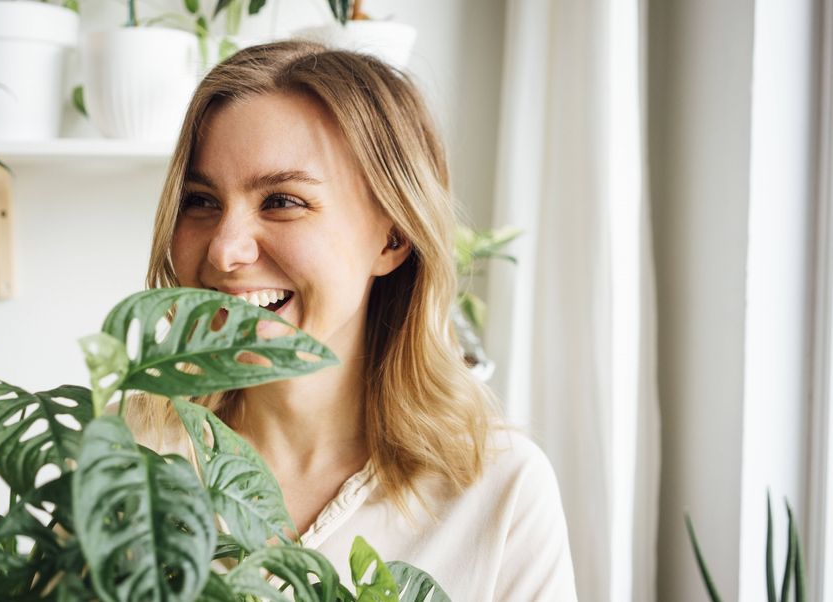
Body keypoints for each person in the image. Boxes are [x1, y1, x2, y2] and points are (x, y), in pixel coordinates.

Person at [138, 40, 577, 600]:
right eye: (201, 201)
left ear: (393, 237)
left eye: (282, 201)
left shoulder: (500, 490)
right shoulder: (129, 452)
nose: (225, 250)